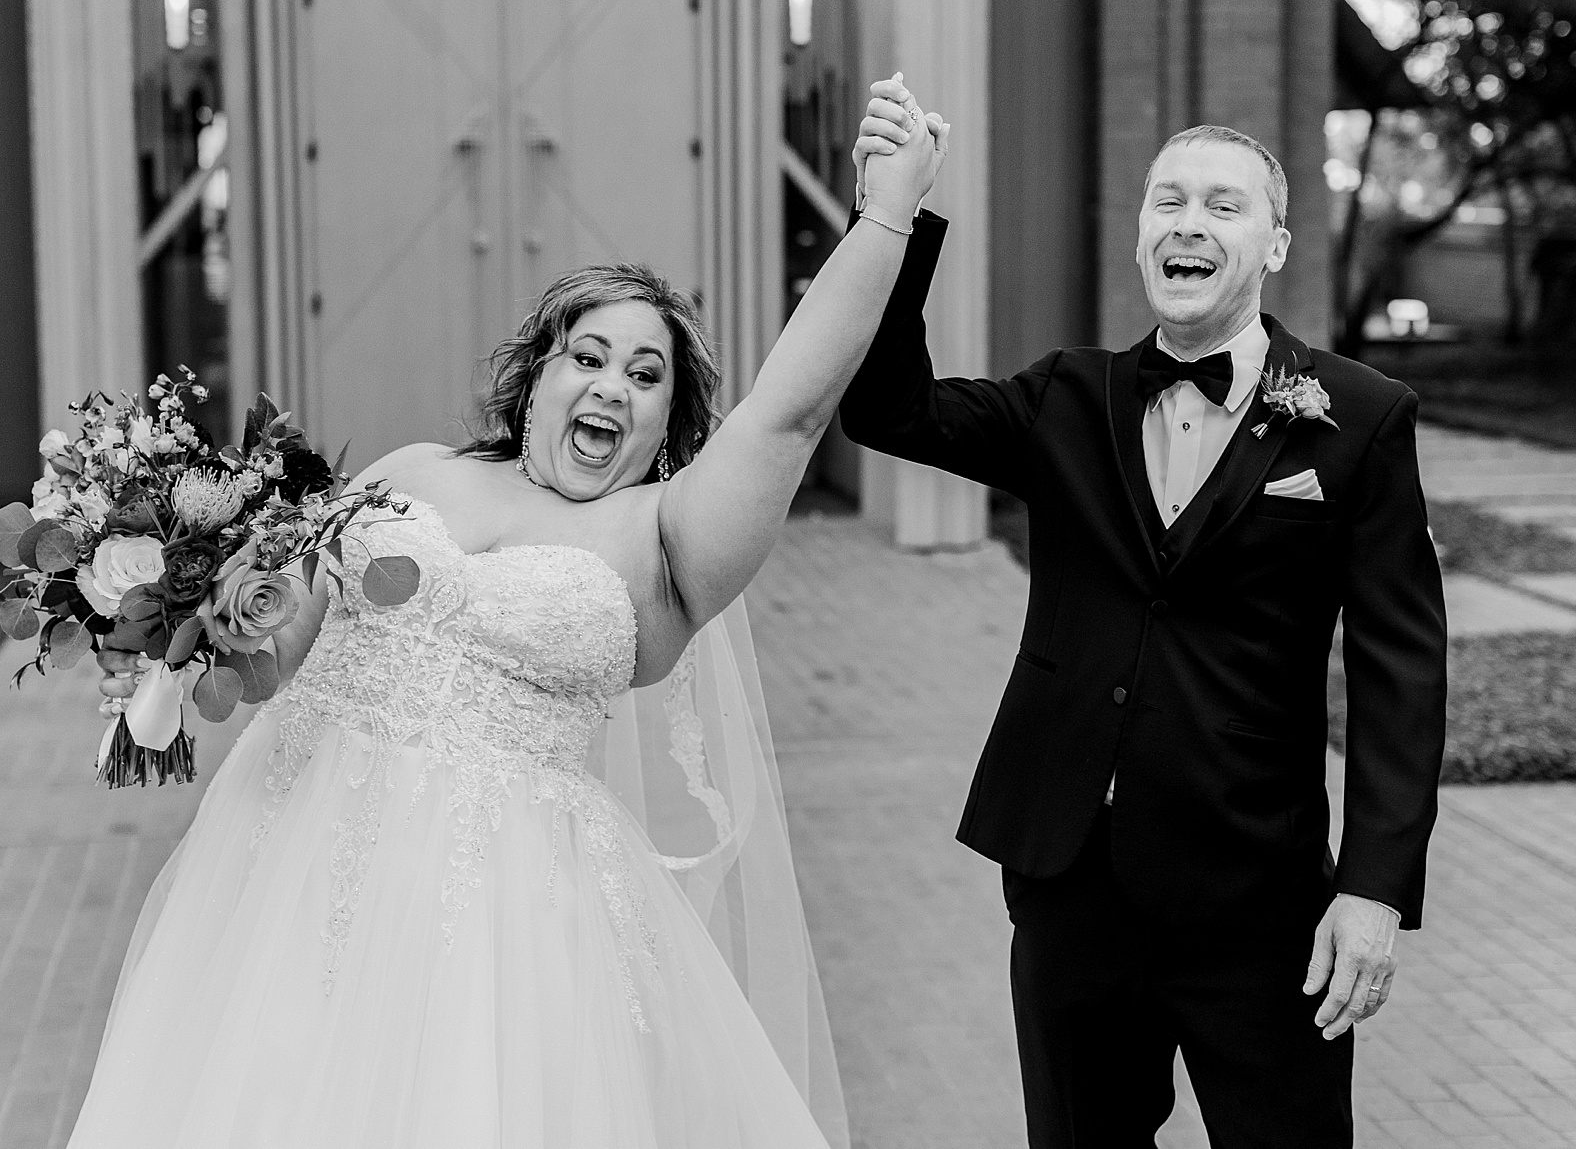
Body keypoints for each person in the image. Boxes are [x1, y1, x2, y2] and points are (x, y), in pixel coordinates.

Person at [66, 84, 950, 1148]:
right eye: (587, 357)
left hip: (497, 925)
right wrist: (170, 633)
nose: (610, 387)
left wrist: (887, 210)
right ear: (534, 376)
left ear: (671, 421)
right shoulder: (409, 471)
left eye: (645, 375)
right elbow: (268, 663)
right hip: (287, 869)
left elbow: (793, 405)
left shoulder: (661, 537)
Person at [842, 79, 1448, 1147]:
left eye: (1222, 205)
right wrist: (893, 213)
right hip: (1069, 880)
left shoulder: (1355, 417)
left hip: (1258, 904)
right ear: (1139, 236)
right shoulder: (1065, 397)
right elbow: (886, 406)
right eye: (1166, 200)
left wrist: (1373, 890)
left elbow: (1402, 667)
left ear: (1272, 245)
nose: (1187, 223)